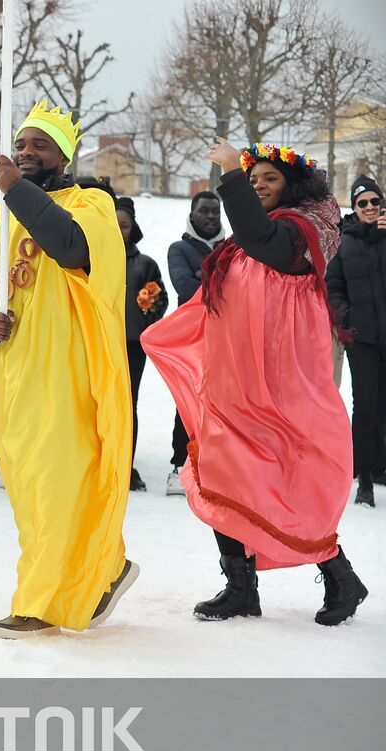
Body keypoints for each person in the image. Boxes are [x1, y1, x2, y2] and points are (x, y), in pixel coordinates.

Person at [144, 139, 368, 626]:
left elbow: (261, 240)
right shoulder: (245, 241)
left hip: (281, 393)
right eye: (252, 180)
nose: (259, 185)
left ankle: (340, 576)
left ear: (294, 186)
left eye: (270, 178)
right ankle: (240, 587)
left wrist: (229, 172)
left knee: (290, 484)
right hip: (233, 386)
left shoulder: (301, 233)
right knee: (225, 477)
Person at [0, 101, 136, 638]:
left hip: (71, 369)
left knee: (60, 478)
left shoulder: (92, 205)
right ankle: (106, 566)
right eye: (22, 143)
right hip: (15, 373)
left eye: (40, 144)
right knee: (32, 484)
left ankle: (39, 601)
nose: (27, 152)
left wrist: (17, 191)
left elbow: (70, 246)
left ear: (64, 153)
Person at [326, 174, 386, 507]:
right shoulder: (343, 242)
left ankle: (379, 466)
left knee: (384, 408)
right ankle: (363, 476)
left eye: (375, 201)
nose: (369, 207)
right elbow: (332, 289)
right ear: (354, 206)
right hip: (361, 340)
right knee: (365, 407)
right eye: (362, 202)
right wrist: (349, 319)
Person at [163, 190, 225, 495]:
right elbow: (185, 287)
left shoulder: (232, 248)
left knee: (221, 403)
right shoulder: (179, 249)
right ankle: (179, 463)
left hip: (226, 337)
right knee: (187, 401)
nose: (211, 217)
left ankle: (217, 466)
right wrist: (228, 290)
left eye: (215, 211)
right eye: (205, 211)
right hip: (191, 340)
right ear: (192, 213)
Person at [115, 196, 168, 493]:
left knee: (126, 404)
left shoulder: (146, 264)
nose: (119, 229)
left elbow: (160, 299)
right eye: (115, 224)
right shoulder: (91, 259)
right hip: (98, 342)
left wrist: (149, 307)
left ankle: (125, 465)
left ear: (133, 229)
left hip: (132, 344)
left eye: (124, 225)